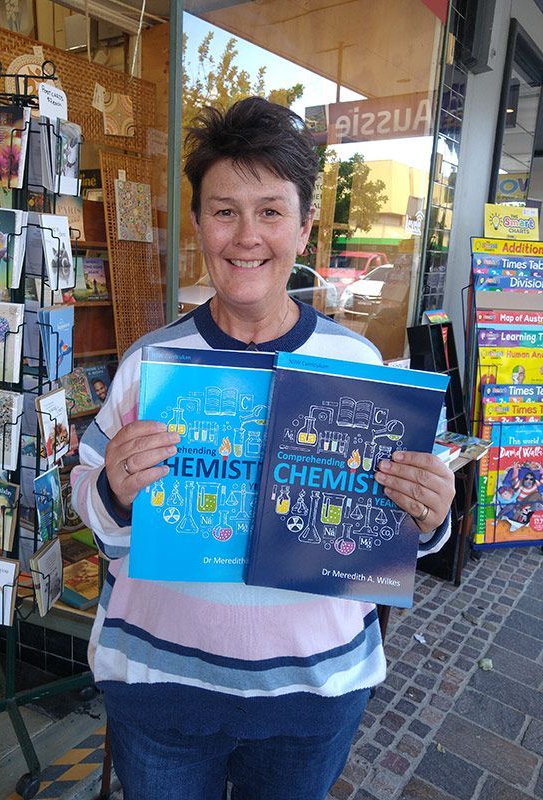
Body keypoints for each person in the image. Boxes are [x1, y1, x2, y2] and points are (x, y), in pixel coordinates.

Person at [71, 97, 455, 800]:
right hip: (162, 691)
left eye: (271, 211)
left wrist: (429, 517)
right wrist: (108, 490)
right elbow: (88, 492)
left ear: (305, 227)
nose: (246, 236)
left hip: (311, 694)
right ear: (197, 224)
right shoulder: (152, 364)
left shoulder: (358, 363)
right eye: (224, 211)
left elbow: (394, 528)